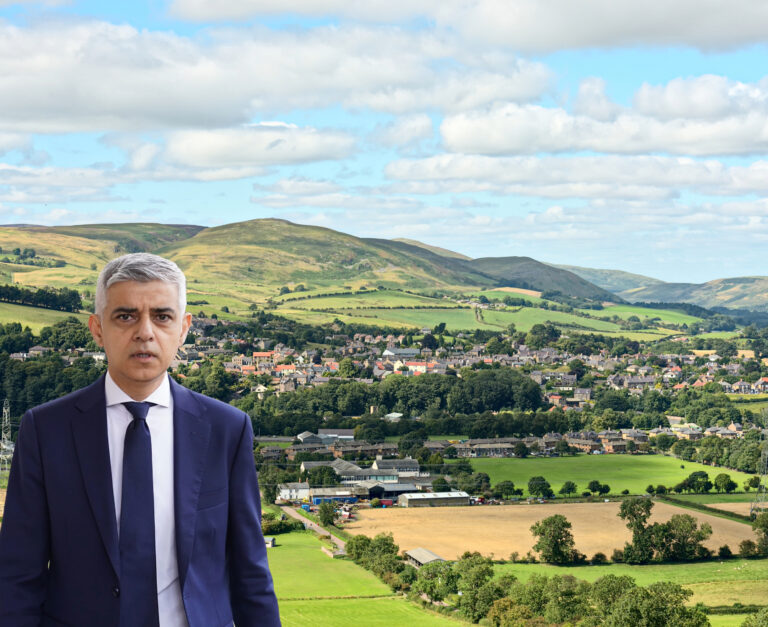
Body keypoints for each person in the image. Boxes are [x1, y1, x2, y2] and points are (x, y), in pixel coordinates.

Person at [0, 253, 281, 626]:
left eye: (162, 316)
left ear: (183, 328)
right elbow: (18, 576)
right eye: (125, 315)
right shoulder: (45, 429)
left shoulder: (227, 428)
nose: (145, 332)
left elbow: (251, 573)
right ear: (97, 328)